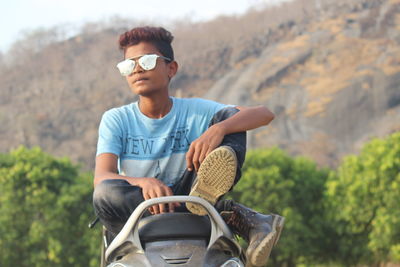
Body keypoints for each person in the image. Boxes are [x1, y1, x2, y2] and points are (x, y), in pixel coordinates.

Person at [93, 26, 284, 267]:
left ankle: (212, 200)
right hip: (140, 207)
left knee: (229, 117)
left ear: (171, 68)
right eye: (128, 65)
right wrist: (143, 182)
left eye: (148, 61)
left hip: (191, 193)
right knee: (105, 192)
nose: (138, 69)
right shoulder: (116, 118)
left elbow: (264, 114)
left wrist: (218, 129)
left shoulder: (197, 111)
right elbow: (102, 177)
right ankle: (233, 214)